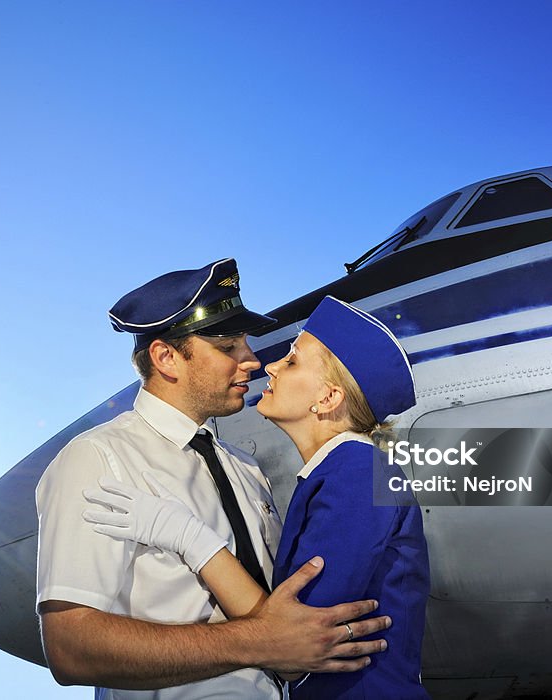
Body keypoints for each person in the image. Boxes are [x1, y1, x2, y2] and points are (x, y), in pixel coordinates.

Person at [36, 260, 392, 700]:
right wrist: (259, 643)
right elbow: (71, 648)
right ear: (167, 357)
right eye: (228, 346)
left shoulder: (245, 468)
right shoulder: (100, 458)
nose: (253, 361)